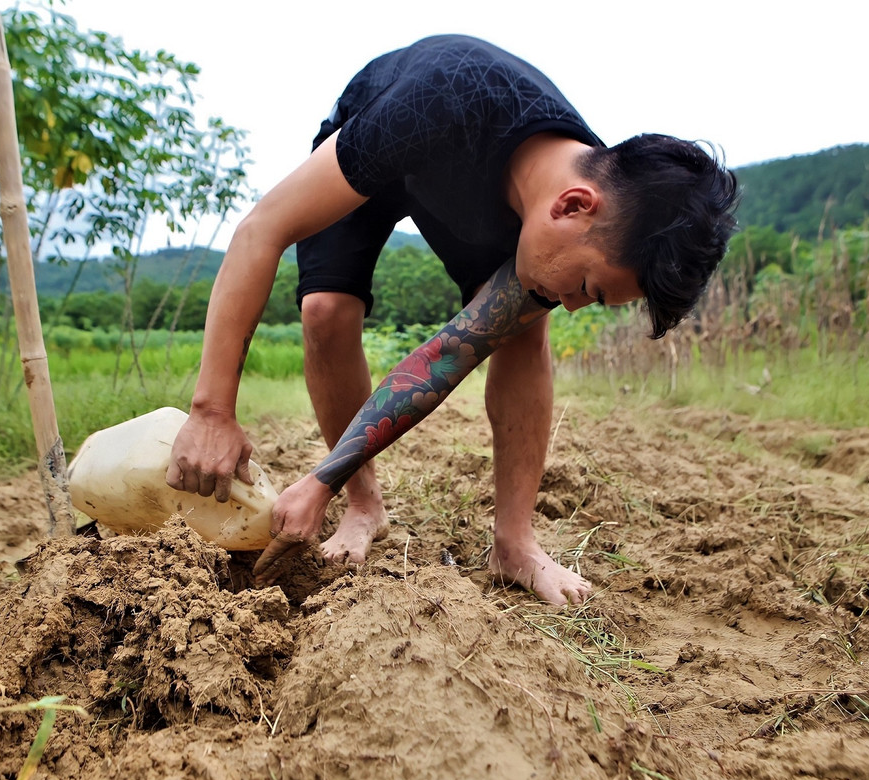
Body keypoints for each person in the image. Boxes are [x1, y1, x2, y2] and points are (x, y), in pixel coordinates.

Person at [167, 34, 739, 605]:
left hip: (483, 213)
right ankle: (363, 506)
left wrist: (320, 479)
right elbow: (262, 228)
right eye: (587, 288)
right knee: (325, 309)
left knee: (522, 333)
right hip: (390, 132)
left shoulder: (571, 217)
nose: (572, 304)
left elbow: (445, 355)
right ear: (572, 206)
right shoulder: (437, 104)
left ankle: (514, 542)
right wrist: (213, 410)